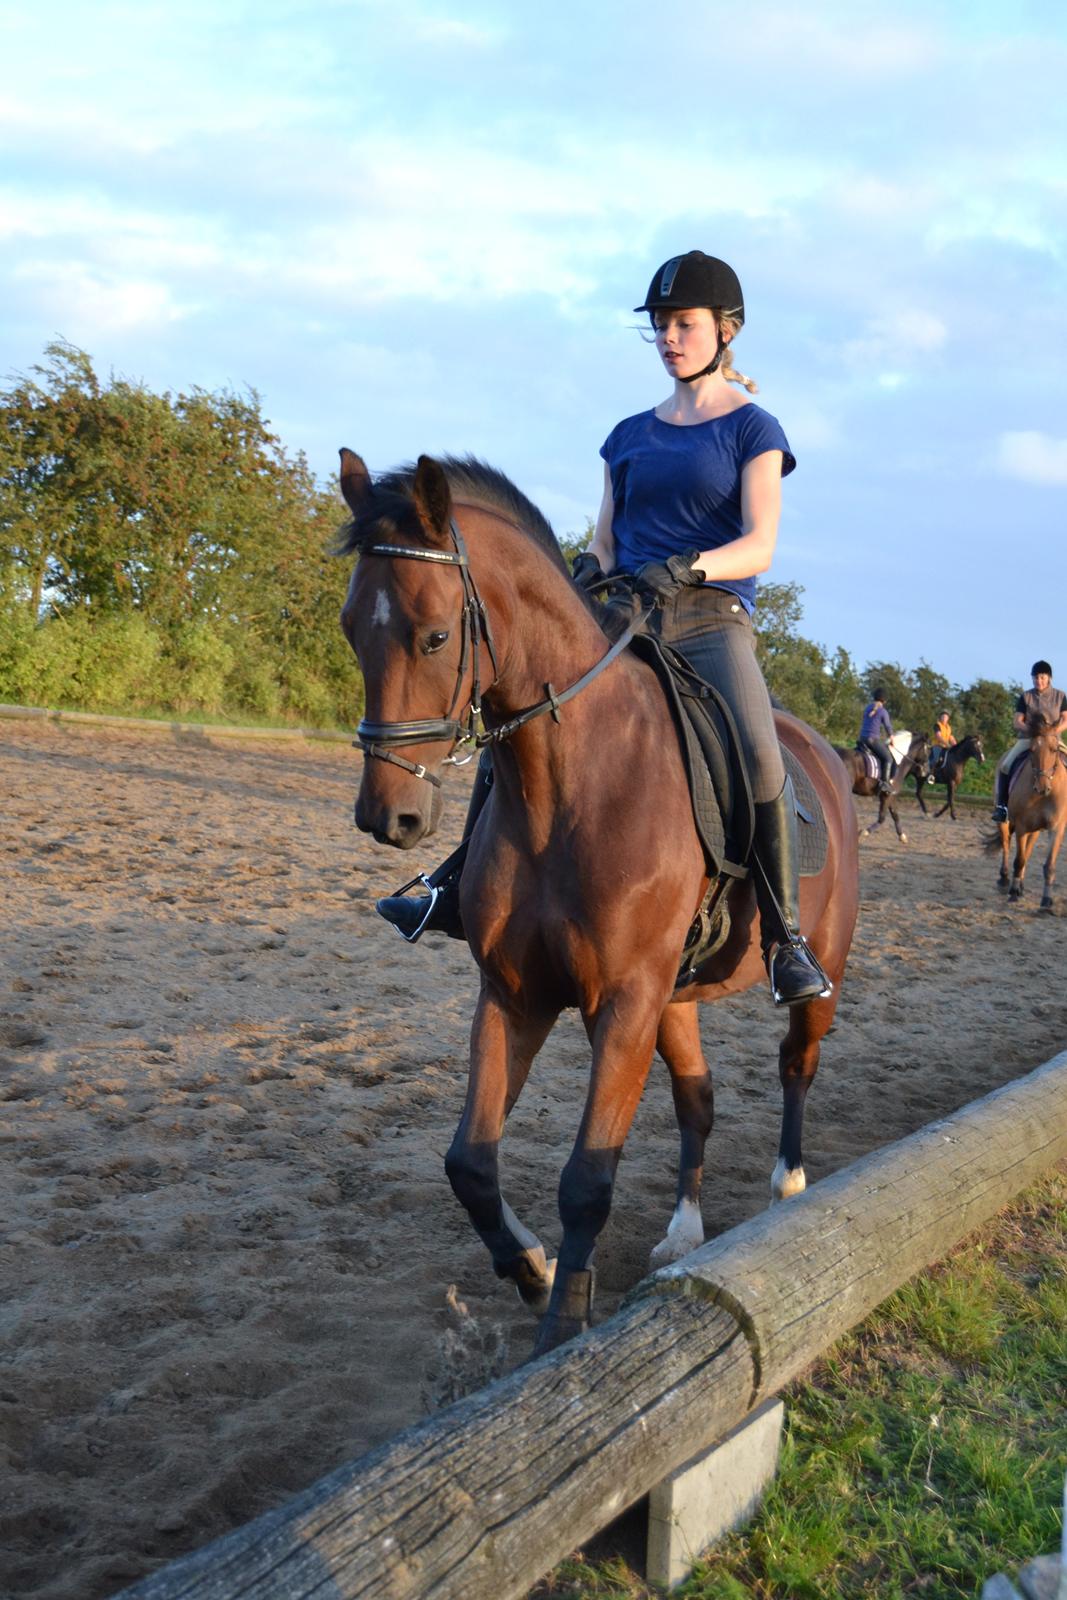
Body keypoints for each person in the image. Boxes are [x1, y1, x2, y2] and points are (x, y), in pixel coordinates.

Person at [377, 249, 830, 1007]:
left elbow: (760, 544)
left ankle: (785, 938)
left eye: (682, 324)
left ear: (725, 330)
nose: (668, 338)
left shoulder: (754, 428)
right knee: (517, 716)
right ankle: (454, 885)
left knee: (755, 751)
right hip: (623, 612)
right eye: (659, 326)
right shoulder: (626, 435)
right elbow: (605, 542)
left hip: (709, 618)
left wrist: (689, 569)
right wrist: (586, 574)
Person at [991, 660, 1067, 821]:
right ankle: (1002, 807)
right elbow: (1017, 721)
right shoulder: (1026, 697)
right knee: (1005, 765)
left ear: (1049, 678)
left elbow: (1066, 720)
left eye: (1041, 677)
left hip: (1053, 741)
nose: (1038, 681)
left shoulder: (1060, 696)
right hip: (1029, 740)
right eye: (1035, 678)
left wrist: (1051, 732)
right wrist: (1034, 732)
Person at [857, 690, 894, 793]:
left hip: (862, 739)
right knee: (888, 759)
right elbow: (887, 726)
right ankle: (885, 784)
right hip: (872, 740)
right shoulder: (883, 711)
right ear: (884, 701)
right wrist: (891, 738)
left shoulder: (867, 708)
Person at [929, 710, 956, 779]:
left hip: (946, 747)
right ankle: (930, 775)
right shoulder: (937, 725)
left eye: (946, 717)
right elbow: (938, 736)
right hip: (937, 745)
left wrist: (956, 745)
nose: (944, 718)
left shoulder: (949, 727)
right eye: (943, 716)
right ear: (940, 717)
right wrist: (947, 744)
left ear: (948, 718)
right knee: (936, 759)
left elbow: (951, 737)